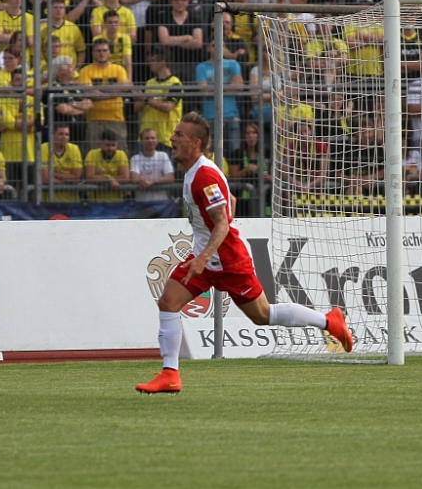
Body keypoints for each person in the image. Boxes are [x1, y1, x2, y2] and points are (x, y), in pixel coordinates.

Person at [136, 112, 354, 394]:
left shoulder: (203, 175)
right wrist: (203, 252)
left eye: (179, 135)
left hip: (227, 259)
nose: (172, 138)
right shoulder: (197, 172)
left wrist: (203, 256)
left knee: (262, 315)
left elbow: (223, 222)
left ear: (195, 143)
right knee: (168, 302)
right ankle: (170, 374)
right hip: (206, 256)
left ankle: (330, 321)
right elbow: (232, 201)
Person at [40, 123, 84, 202]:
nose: (64, 137)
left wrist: (53, 174)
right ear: (52, 135)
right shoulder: (43, 148)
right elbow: (45, 179)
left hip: (71, 201)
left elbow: (76, 178)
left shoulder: (74, 149)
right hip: (49, 202)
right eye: (61, 134)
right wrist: (67, 181)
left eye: (67, 134)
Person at [85, 130, 129, 202]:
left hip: (117, 202)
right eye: (107, 145)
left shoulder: (121, 154)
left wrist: (100, 179)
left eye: (113, 145)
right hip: (95, 202)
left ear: (117, 145)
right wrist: (109, 180)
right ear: (100, 144)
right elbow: (90, 177)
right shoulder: (92, 154)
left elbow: (125, 177)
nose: (110, 148)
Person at [130, 128, 174, 201]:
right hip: (141, 203)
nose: (150, 140)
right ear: (141, 141)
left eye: (153, 138)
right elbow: (134, 177)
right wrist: (154, 181)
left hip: (162, 203)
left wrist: (152, 181)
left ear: (157, 141)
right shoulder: (135, 158)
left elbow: (170, 177)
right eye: (147, 138)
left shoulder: (163, 156)